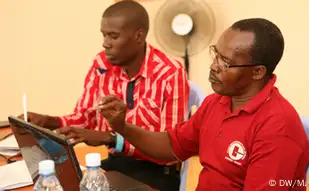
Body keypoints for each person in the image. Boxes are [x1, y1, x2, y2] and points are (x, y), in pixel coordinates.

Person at [71, 18, 309, 191]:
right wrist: (122, 126)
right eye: (216, 54)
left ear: (258, 72)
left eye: (226, 62)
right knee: (107, 182)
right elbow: (170, 146)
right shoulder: (217, 102)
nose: (214, 66)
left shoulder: (277, 129)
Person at [21, 1, 189, 191]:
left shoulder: (170, 72)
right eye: (104, 35)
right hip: (116, 163)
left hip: (157, 173)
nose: (105, 43)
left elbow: (171, 151)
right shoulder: (101, 63)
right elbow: (86, 117)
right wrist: (48, 121)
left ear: (139, 36)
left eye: (113, 36)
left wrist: (110, 138)